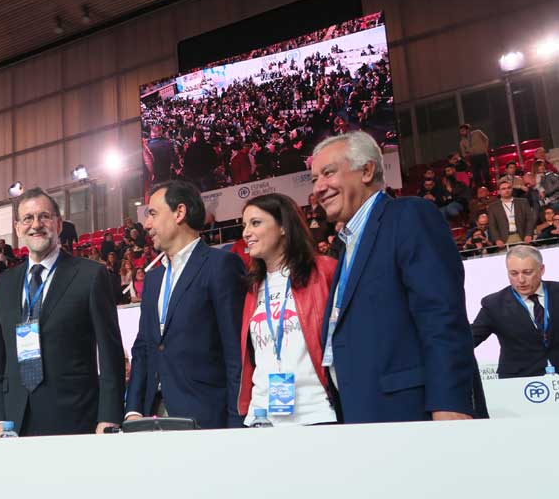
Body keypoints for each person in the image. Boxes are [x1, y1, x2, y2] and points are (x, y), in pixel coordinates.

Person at [313, 131, 480, 423]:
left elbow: (441, 315)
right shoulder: (348, 243)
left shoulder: (408, 216)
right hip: (365, 413)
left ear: (366, 171)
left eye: (328, 173)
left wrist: (450, 401)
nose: (319, 187)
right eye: (315, 179)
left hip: (413, 412)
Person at [0, 187, 125, 436]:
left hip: (75, 417)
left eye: (44, 216)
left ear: (59, 224)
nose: (36, 224)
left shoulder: (91, 275)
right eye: (28, 218)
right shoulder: (4, 284)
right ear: (18, 228)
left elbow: (110, 354)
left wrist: (108, 417)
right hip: (14, 422)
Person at [126, 180, 246, 428]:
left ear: (179, 212)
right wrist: (133, 409)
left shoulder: (221, 266)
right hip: (151, 414)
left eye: (153, 214)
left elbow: (235, 353)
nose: (147, 225)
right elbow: (143, 348)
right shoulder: (153, 278)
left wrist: (237, 423)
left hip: (206, 417)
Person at [238, 193, 339, 426]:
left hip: (315, 413)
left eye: (255, 223)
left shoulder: (324, 272)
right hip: (261, 416)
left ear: (283, 226)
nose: (245, 233)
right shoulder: (253, 288)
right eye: (244, 225)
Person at [472, 246, 559, 378]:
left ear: (541, 270)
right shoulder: (494, 304)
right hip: (518, 382)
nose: (521, 280)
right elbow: (469, 339)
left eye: (527, 272)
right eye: (514, 273)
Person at [488, 179, 534, 247]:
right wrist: (497, 239)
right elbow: (492, 225)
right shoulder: (493, 207)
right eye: (503, 189)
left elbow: (530, 220)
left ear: (512, 189)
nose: (507, 190)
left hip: (522, 237)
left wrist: (529, 234)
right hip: (504, 240)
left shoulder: (523, 202)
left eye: (509, 188)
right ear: (499, 192)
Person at [458, 123, 490, 188]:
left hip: (482, 155)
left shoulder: (477, 132)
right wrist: (468, 156)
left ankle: (488, 187)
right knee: (476, 175)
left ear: (467, 130)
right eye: (460, 131)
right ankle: (480, 189)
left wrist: (485, 149)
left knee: (486, 172)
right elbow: (463, 154)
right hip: (473, 158)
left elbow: (486, 139)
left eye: (463, 130)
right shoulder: (462, 142)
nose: (462, 132)